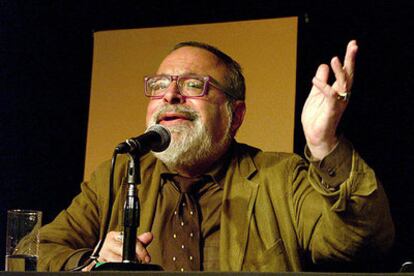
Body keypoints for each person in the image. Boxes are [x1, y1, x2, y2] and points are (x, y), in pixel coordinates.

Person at [37, 40, 394, 272]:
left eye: (193, 85)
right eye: (159, 85)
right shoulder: (118, 175)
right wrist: (90, 262)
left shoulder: (281, 176)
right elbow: (36, 249)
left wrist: (323, 144)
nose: (170, 96)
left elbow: (362, 241)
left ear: (234, 115)